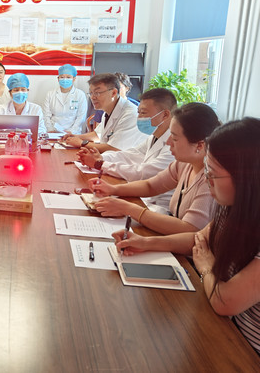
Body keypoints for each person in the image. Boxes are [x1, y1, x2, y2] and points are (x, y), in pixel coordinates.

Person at [113, 118, 260, 356]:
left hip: (247, 349)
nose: (208, 181)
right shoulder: (233, 207)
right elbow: (198, 239)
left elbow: (226, 302)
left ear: (247, 177)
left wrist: (206, 266)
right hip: (223, 326)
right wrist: (145, 243)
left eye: (213, 174)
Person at [90, 102, 220, 235]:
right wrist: (113, 189)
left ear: (199, 145)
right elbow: (151, 186)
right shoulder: (184, 164)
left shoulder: (210, 179)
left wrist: (129, 209)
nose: (168, 142)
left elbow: (189, 229)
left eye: (174, 138)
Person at [77, 88, 177, 210]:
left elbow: (143, 173)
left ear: (165, 115)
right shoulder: (154, 136)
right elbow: (130, 154)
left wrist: (100, 164)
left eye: (143, 113)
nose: (139, 117)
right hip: (142, 199)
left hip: (158, 208)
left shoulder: (175, 145)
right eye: (139, 112)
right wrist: (100, 157)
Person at [62, 73, 147, 152]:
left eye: (97, 93)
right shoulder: (107, 111)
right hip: (111, 159)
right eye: (91, 93)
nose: (93, 97)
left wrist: (82, 143)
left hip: (128, 161)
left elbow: (114, 148)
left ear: (113, 93)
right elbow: (97, 135)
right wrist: (76, 137)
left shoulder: (131, 114)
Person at [0, 72, 47, 137]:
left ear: (27, 91)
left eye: (23, 89)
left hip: (28, 141)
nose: (20, 92)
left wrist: (24, 133)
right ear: (10, 93)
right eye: (16, 90)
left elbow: (42, 130)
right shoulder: (2, 108)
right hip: (7, 141)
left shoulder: (36, 109)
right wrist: (1, 132)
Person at [42, 64, 87, 134]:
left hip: (73, 133)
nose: (65, 79)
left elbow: (81, 117)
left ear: (74, 79)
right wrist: (50, 129)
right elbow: (46, 115)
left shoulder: (80, 94)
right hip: (53, 131)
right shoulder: (50, 94)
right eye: (62, 77)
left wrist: (71, 131)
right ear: (58, 79)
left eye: (68, 77)